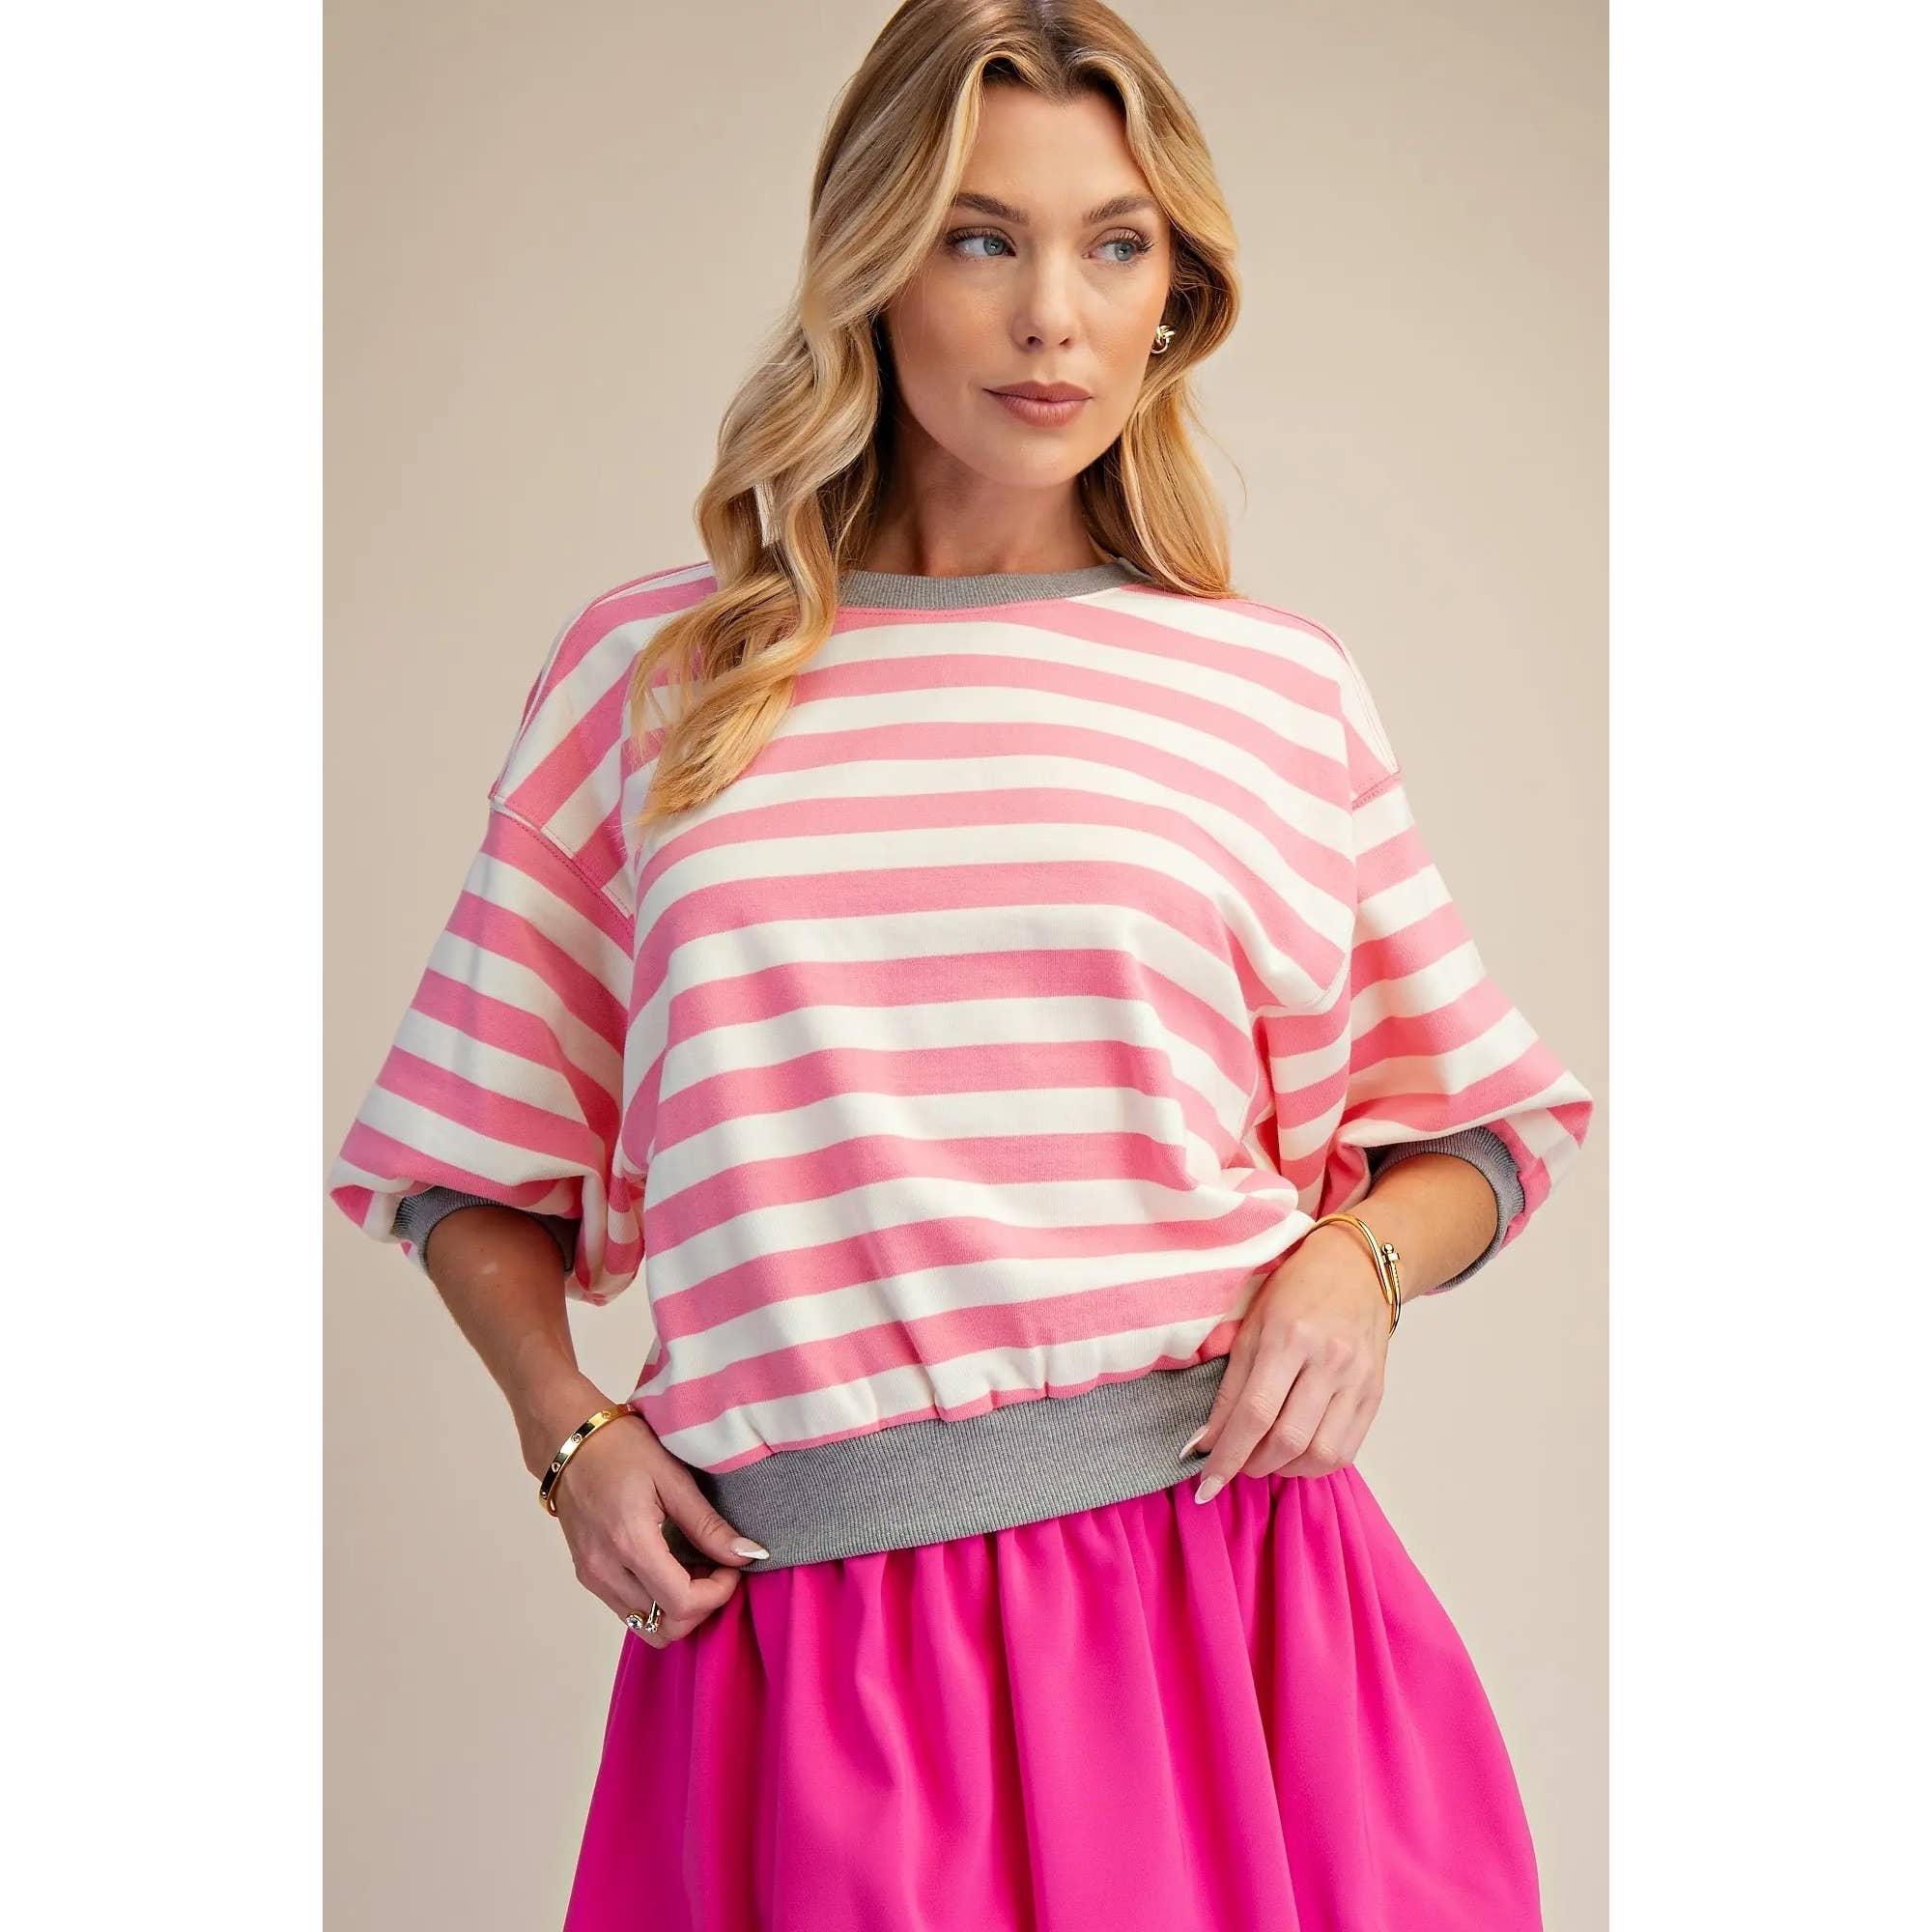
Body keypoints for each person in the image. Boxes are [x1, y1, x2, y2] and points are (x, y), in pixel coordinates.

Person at [327, 4, 1594, 1925]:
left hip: (1226, 1623)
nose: (1051, 319)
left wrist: (1358, 1267)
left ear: (1174, 297)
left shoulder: (1266, 691)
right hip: (803, 1658)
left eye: (1115, 245)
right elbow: (461, 1153)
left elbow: (1483, 1129)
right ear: (870, 261)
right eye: (978, 237)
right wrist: (565, 1429)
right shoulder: (654, 681)